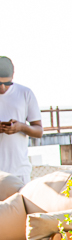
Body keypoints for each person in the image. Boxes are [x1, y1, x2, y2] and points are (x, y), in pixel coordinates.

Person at [0, 56, 43, 186]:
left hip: (19, 170)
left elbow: (39, 131)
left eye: (7, 83)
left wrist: (21, 127)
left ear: (13, 76)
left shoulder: (25, 93)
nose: (2, 87)